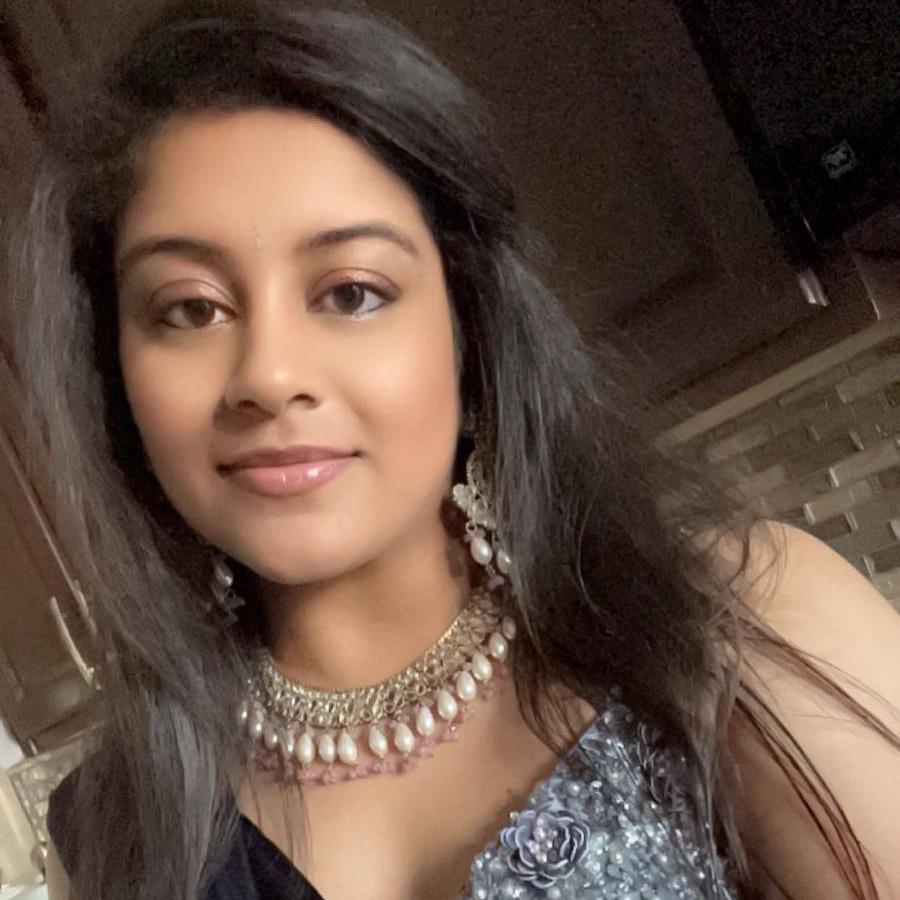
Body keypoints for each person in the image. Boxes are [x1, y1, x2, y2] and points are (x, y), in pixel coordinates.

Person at [4, 1, 898, 898]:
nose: (268, 376)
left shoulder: (742, 635)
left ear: (469, 325)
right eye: (191, 308)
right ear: (116, 376)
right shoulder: (119, 839)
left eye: (351, 293)